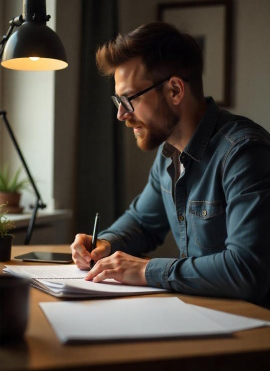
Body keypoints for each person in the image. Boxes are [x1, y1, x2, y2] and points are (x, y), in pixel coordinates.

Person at [71, 21, 270, 305]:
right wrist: (106, 243)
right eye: (119, 102)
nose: (121, 115)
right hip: (201, 313)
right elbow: (142, 222)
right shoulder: (169, 152)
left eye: (129, 100)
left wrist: (146, 270)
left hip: (252, 331)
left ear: (175, 90)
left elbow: (246, 271)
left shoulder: (244, 153)